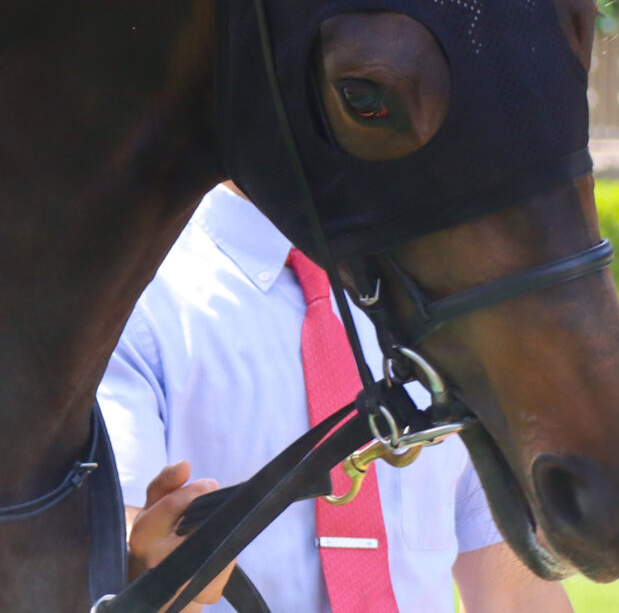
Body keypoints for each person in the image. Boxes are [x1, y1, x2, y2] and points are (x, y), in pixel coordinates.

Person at [99, 183, 575, 613]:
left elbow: (512, 592)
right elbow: (111, 567)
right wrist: (152, 582)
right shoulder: (129, 305)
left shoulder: (444, 298)